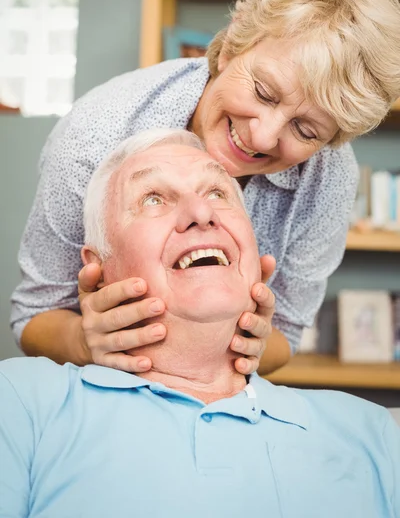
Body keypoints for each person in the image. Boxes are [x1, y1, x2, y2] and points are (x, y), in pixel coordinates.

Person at [11, 0, 400, 375]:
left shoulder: (327, 176)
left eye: (306, 131)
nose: (263, 136)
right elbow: (35, 314)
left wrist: (252, 343)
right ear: (234, 45)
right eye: (265, 93)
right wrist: (81, 340)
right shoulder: (95, 135)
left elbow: (284, 333)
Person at [1, 129, 399, 518]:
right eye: (153, 198)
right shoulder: (21, 402)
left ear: (253, 251)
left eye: (217, 193)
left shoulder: (374, 434)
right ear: (99, 269)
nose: (201, 214)